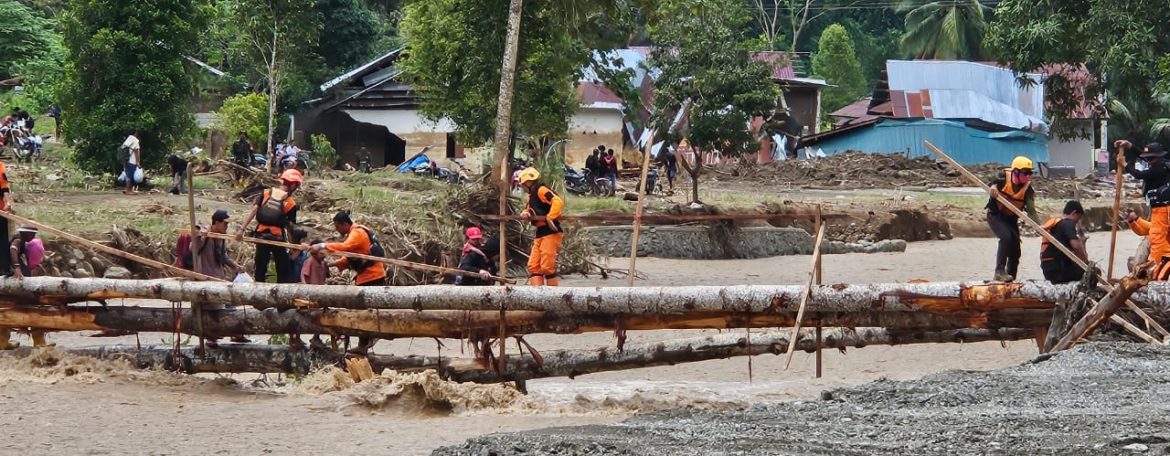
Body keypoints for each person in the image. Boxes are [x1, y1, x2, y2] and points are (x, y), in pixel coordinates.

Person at [311, 212, 387, 354]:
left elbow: (346, 247)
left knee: (364, 311)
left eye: (337, 227)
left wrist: (322, 245)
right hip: (367, 276)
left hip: (372, 276)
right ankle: (364, 342)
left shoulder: (357, 233)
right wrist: (335, 264)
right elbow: (350, 257)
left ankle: (365, 342)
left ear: (344, 224)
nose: (337, 230)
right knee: (363, 310)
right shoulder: (355, 235)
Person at [236, 169, 302, 283]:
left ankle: (258, 293)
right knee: (283, 270)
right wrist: (292, 247)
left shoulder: (266, 193)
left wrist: (241, 229)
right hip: (278, 238)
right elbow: (289, 227)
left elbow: (254, 211)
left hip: (261, 236)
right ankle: (280, 295)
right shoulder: (291, 203)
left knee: (260, 269)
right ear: (293, 185)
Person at [1116, 141, 1170, 279]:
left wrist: (1125, 165)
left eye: (1151, 158)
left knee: (1158, 242)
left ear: (1159, 157)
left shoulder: (1158, 169)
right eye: (1148, 158)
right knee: (1155, 234)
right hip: (1159, 210)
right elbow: (1144, 157)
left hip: (1162, 210)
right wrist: (1131, 147)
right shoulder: (1162, 164)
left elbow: (1139, 175)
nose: (1149, 161)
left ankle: (1157, 275)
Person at [985, 156, 1037, 282]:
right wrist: (992, 186)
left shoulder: (1028, 190)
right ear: (1016, 172)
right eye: (1025, 173)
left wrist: (1040, 226)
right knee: (1006, 237)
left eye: (1030, 173)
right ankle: (999, 271)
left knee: (1016, 251)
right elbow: (988, 181)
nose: (1028, 176)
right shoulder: (1003, 177)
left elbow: (1032, 212)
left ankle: (1011, 278)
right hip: (995, 215)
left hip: (1011, 219)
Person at [1, 226, 50, 349]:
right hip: (18, 282)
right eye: (31, 234)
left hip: (14, 281)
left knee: (6, 310)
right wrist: (17, 268)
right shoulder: (18, 240)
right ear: (25, 233)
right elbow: (13, 250)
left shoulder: (22, 242)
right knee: (33, 308)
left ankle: (2, 342)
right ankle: (39, 342)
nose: (33, 237)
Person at [517, 167, 565, 286]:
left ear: (528, 182)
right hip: (540, 232)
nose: (522, 187)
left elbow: (557, 201)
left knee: (547, 267)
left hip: (551, 232)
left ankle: (552, 297)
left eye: (522, 184)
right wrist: (525, 213)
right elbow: (529, 208)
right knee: (534, 266)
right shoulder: (532, 195)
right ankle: (537, 296)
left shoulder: (541, 190)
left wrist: (550, 217)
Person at [1040, 201, 1089, 284]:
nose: (1077, 222)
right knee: (1090, 273)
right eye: (1078, 218)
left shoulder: (1057, 224)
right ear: (1074, 213)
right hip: (1059, 270)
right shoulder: (1067, 224)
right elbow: (1076, 246)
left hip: (1048, 270)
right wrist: (1085, 262)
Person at [298, 238, 330, 349]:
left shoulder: (323, 263)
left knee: (321, 315)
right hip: (311, 292)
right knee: (305, 315)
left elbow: (328, 274)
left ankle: (316, 337)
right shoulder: (310, 261)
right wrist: (305, 289)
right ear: (314, 252)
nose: (324, 255)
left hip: (320, 292)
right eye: (321, 253)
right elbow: (303, 275)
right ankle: (296, 337)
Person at [0, 157, 13, 276]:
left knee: (2, 238)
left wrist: (7, 202)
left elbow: (4, 189)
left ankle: (4, 268)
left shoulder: (0, 167)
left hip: (0, 210)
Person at [121, 129, 141, 195]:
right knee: (131, 175)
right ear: (135, 133)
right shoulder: (135, 140)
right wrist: (138, 162)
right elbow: (136, 151)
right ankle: (129, 190)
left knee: (128, 175)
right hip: (132, 160)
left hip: (126, 160)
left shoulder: (128, 139)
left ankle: (129, 189)